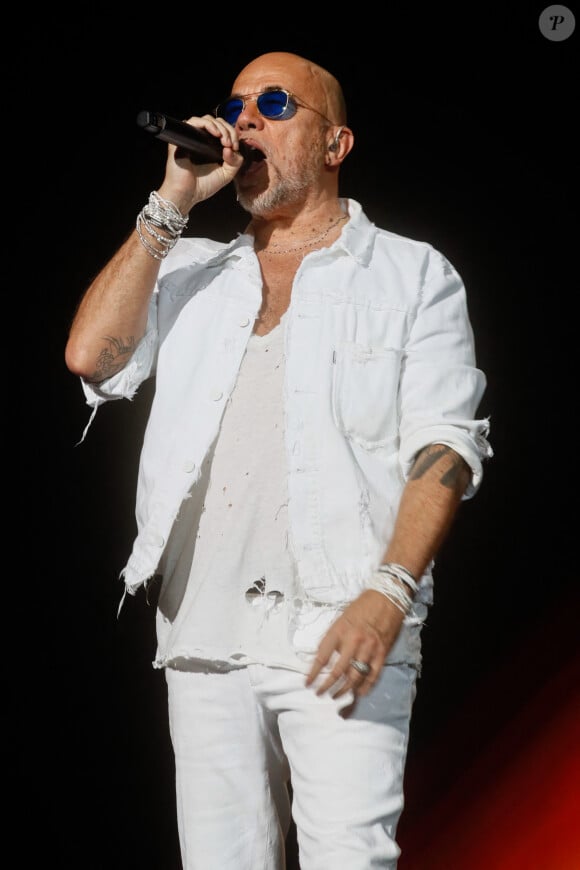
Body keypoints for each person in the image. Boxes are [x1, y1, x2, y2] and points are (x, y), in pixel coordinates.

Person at [65, 50, 492, 870]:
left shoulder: (412, 275)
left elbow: (446, 446)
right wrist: (173, 200)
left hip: (340, 629)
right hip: (204, 637)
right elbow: (92, 355)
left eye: (273, 103)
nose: (244, 119)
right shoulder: (189, 271)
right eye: (236, 104)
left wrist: (388, 593)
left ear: (336, 145)